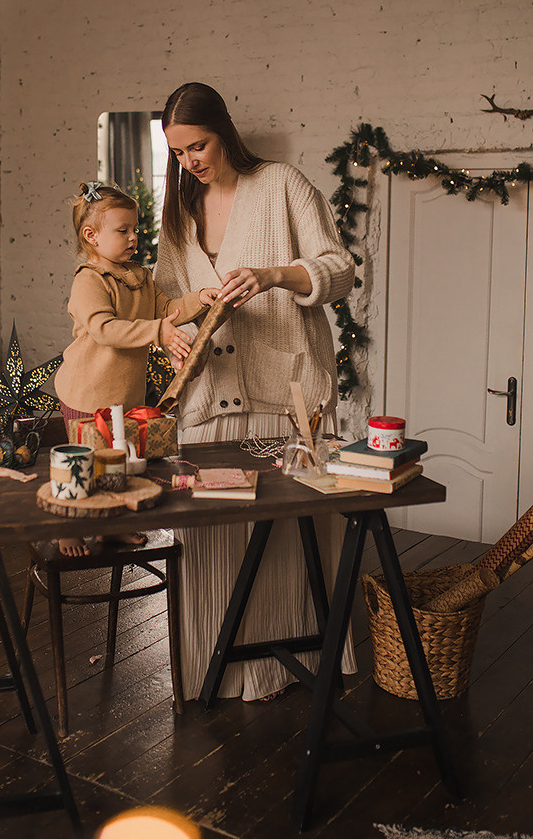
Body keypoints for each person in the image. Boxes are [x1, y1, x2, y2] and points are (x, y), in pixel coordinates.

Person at [154, 82, 357, 700]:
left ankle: (296, 662)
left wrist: (272, 276)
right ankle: (215, 675)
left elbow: (341, 268)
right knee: (209, 538)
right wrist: (168, 335)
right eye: (179, 152)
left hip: (284, 391)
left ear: (225, 130)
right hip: (209, 393)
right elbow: (166, 299)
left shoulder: (280, 185)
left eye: (199, 145)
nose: (191, 161)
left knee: (292, 543)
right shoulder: (179, 212)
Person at [54, 182, 218, 556]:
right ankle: (69, 526)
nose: (133, 238)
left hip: (122, 396)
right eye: (122, 230)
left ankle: (111, 528)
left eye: (136, 229)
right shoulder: (89, 280)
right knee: (83, 464)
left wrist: (199, 299)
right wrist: (158, 332)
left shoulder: (140, 277)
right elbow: (105, 329)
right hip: (86, 390)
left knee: (117, 464)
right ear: (91, 236)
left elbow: (166, 310)